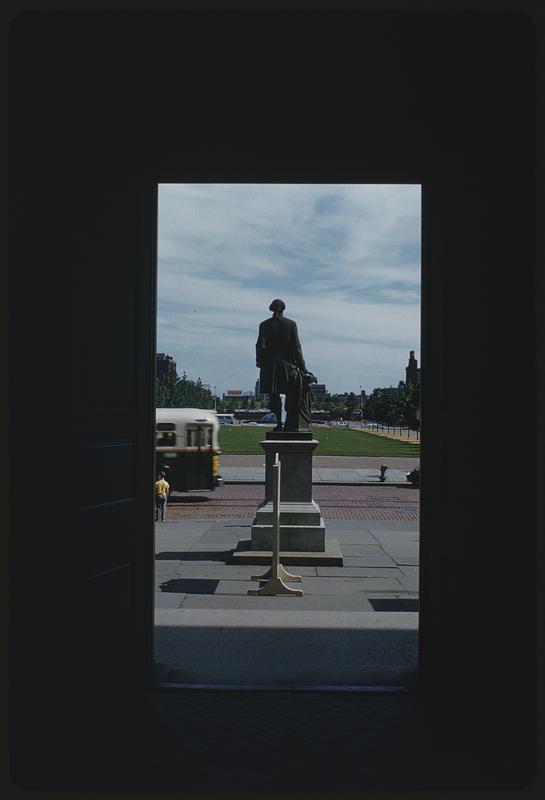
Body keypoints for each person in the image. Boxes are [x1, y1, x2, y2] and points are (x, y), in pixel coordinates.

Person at [255, 299, 316, 432]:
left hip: (270, 368)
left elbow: (260, 345)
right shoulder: (290, 324)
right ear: (283, 310)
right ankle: (291, 423)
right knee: (293, 394)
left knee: (274, 397)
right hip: (287, 368)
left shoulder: (264, 325)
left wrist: (260, 363)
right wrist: (303, 367)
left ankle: (279, 424)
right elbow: (297, 348)